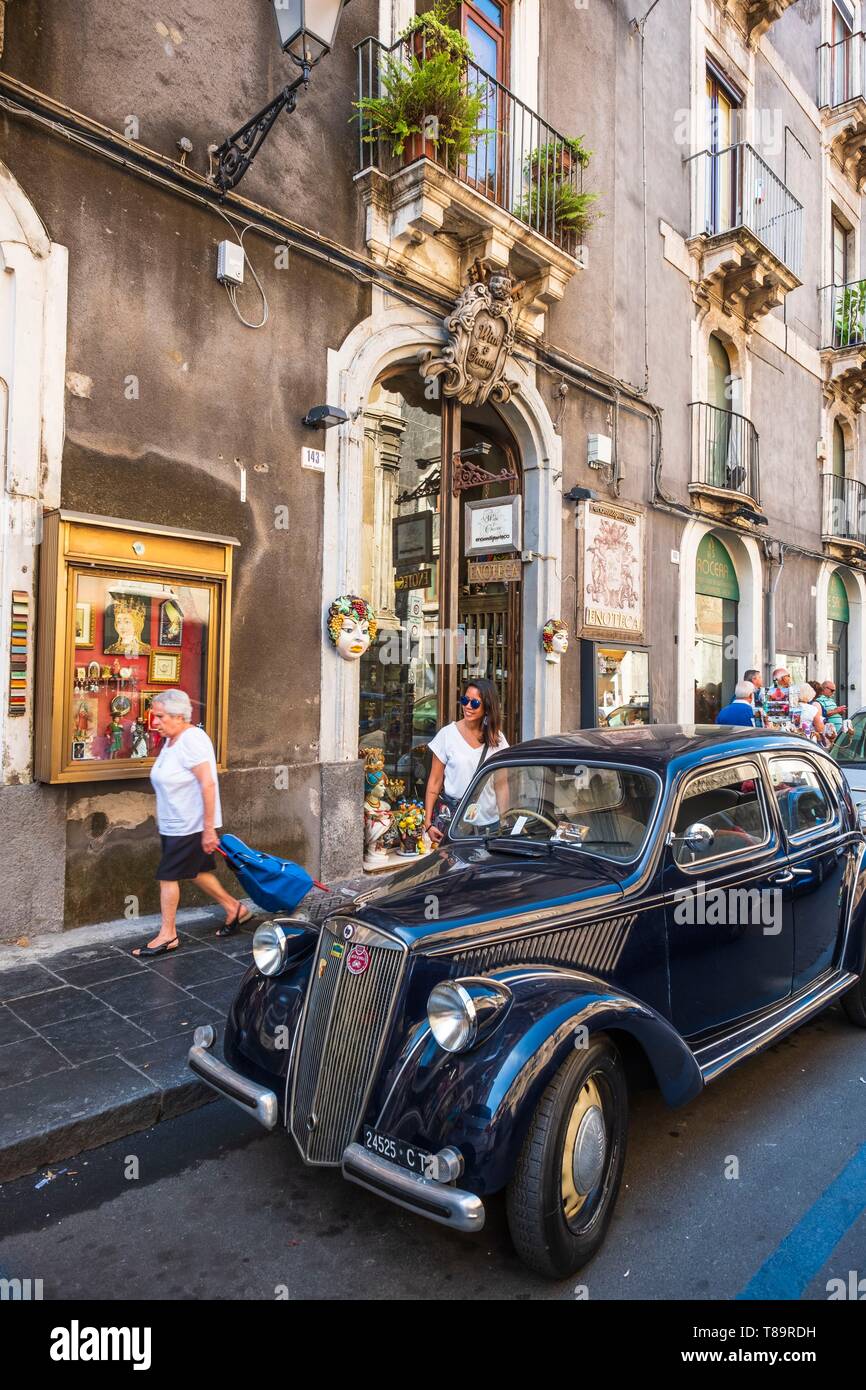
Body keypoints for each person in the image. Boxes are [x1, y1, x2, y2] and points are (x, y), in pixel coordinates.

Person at [131, 689, 252, 957]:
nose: (156, 722)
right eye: (155, 716)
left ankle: (168, 934)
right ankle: (235, 909)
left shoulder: (191, 740)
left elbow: (207, 783)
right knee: (195, 871)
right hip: (174, 823)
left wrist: (209, 829)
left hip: (190, 824)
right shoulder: (172, 739)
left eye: (160, 716)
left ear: (178, 715)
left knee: (168, 875)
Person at [423, 678, 508, 843]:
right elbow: (434, 782)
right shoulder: (447, 735)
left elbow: (502, 785)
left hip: (489, 826)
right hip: (454, 826)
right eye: (464, 700)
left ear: (487, 707)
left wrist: (505, 822)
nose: (468, 706)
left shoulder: (497, 739)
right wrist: (428, 823)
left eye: (475, 703)